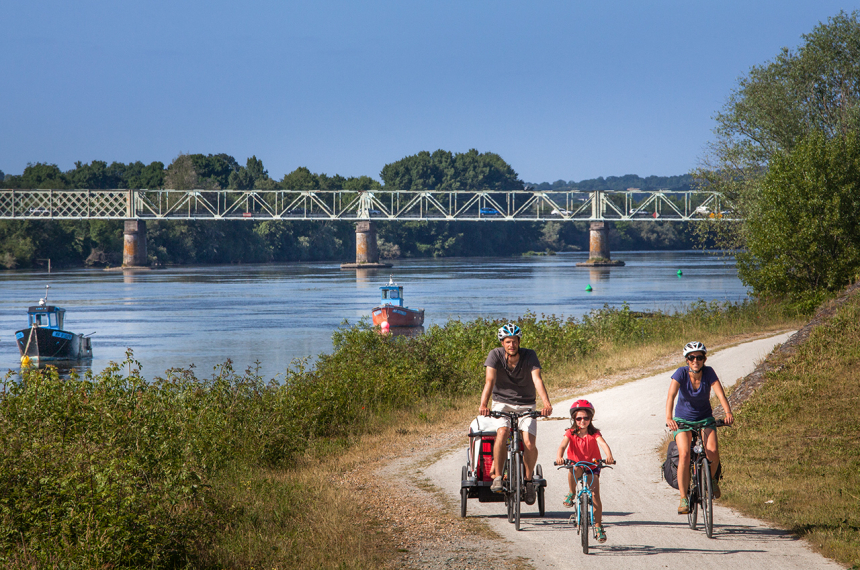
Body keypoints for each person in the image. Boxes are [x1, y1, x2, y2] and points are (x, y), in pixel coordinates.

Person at [479, 323, 553, 505]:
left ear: (519, 342)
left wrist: (546, 403)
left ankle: (528, 481)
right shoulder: (494, 355)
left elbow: (537, 379)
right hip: (502, 403)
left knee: (528, 442)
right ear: (502, 343)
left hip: (526, 403)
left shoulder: (530, 355)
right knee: (502, 433)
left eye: (514, 341)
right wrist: (483, 404)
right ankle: (497, 476)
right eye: (508, 342)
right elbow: (490, 380)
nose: (511, 345)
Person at [665, 341, 735, 515]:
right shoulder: (680, 373)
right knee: (685, 454)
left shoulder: (709, 372)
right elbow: (671, 395)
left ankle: (710, 480)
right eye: (692, 357)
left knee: (712, 451)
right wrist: (669, 418)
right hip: (683, 420)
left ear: (704, 358)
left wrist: (727, 412)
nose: (695, 360)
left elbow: (720, 393)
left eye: (699, 357)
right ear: (687, 360)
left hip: (704, 419)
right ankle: (683, 498)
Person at [554, 399, 615, 544]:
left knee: (595, 496)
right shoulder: (570, 433)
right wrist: (559, 457)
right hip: (577, 465)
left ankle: (599, 526)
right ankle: (571, 492)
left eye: (586, 418)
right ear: (574, 419)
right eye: (579, 418)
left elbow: (603, 444)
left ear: (590, 419)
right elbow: (563, 446)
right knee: (574, 468)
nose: (582, 421)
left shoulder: (594, 433)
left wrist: (609, 456)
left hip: (592, 466)